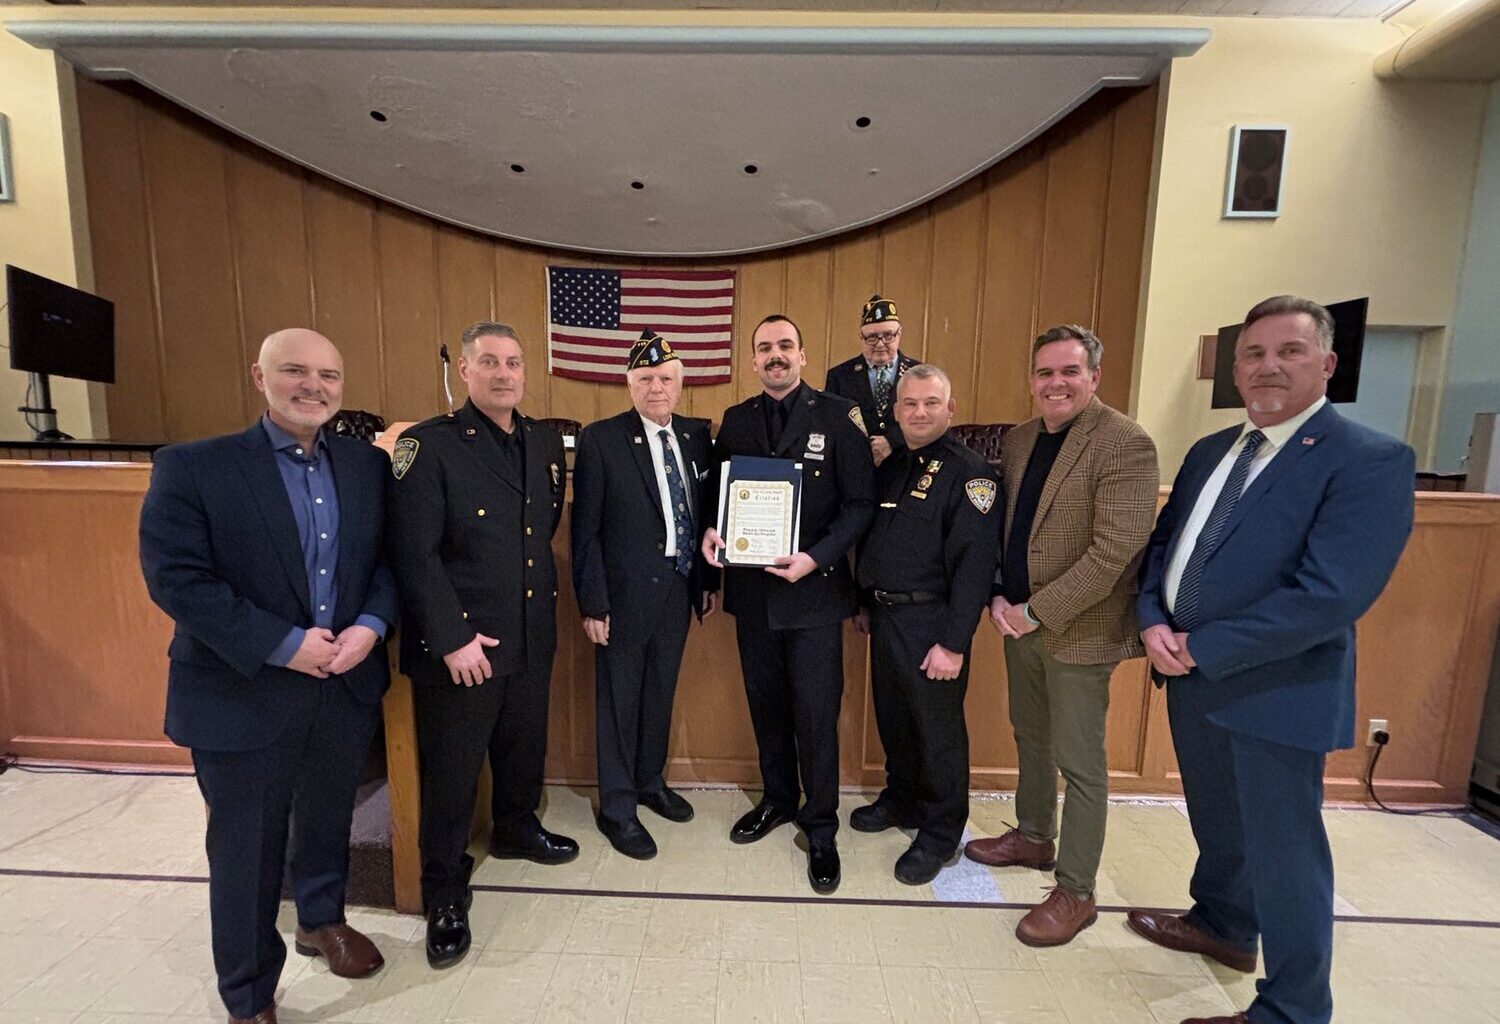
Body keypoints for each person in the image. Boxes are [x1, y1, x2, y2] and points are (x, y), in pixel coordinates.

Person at [1129, 296, 1415, 1024]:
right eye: (1253, 355)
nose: (1268, 367)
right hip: (1190, 680)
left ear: (1327, 362)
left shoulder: (1368, 460)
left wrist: (1202, 646)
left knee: (1287, 858)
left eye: (1288, 351)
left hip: (1279, 690)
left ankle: (1292, 1009)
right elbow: (1165, 548)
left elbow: (1329, 596)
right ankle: (1223, 925)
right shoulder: (1209, 453)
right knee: (1219, 825)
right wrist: (1153, 621)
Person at [140, 328, 395, 1024]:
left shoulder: (366, 467)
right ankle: (249, 994)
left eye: (329, 376)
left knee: (325, 818)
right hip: (240, 690)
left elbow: (384, 563)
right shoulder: (194, 468)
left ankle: (320, 919)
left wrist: (370, 626)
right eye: (295, 371)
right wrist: (284, 644)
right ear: (260, 375)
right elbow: (177, 581)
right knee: (246, 851)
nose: (313, 386)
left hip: (341, 687)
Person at [963, 325, 1159, 947]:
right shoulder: (1022, 440)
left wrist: (1037, 610)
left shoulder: (1126, 442)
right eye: (1045, 373)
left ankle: (1077, 890)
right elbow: (1006, 528)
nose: (1056, 383)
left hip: (1079, 627)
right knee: (1031, 734)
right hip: (1017, 618)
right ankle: (1034, 836)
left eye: (1069, 371)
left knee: (1080, 762)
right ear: (1032, 380)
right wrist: (999, 591)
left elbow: (1116, 552)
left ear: (1095, 377)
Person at [386, 321, 573, 969]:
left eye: (514, 363)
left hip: (527, 633)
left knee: (522, 744)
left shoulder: (543, 441)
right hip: (464, 645)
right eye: (489, 362)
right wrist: (453, 637)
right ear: (464, 371)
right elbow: (413, 555)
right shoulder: (428, 445)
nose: (504, 373)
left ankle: (517, 829)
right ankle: (443, 888)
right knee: (454, 771)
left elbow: (538, 529)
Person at [701, 313, 875, 893]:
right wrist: (712, 530)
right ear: (753, 362)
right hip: (754, 599)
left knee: (816, 716)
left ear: (803, 355)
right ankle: (777, 799)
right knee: (767, 708)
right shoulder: (737, 419)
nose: (775, 356)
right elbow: (719, 498)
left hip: (816, 596)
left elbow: (858, 506)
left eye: (785, 346)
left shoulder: (836, 416)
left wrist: (815, 558)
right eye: (764, 348)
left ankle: (820, 826)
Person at [852, 363, 1000, 884]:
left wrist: (954, 643)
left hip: (933, 623)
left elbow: (974, 567)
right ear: (896, 411)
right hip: (888, 616)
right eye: (910, 404)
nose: (919, 412)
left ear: (949, 409)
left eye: (930, 403)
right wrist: (865, 601)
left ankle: (939, 832)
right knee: (894, 719)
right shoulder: (892, 466)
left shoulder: (972, 474)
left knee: (937, 733)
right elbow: (875, 541)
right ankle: (901, 800)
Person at [571, 330, 714, 860]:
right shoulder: (601, 439)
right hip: (622, 598)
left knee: (660, 693)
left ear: (680, 384)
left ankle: (650, 782)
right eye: (646, 379)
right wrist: (593, 604)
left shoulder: (698, 437)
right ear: (629, 384)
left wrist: (706, 583)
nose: (657, 388)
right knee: (617, 702)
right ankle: (618, 807)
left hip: (678, 590)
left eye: (666, 379)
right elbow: (584, 531)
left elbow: (705, 516)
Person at [825, 294, 920, 467]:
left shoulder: (920, 374)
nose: (880, 343)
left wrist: (892, 441)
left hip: (906, 468)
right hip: (856, 470)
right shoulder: (839, 376)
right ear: (861, 337)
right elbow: (831, 427)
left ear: (899, 334)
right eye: (872, 337)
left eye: (888, 335)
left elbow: (928, 422)